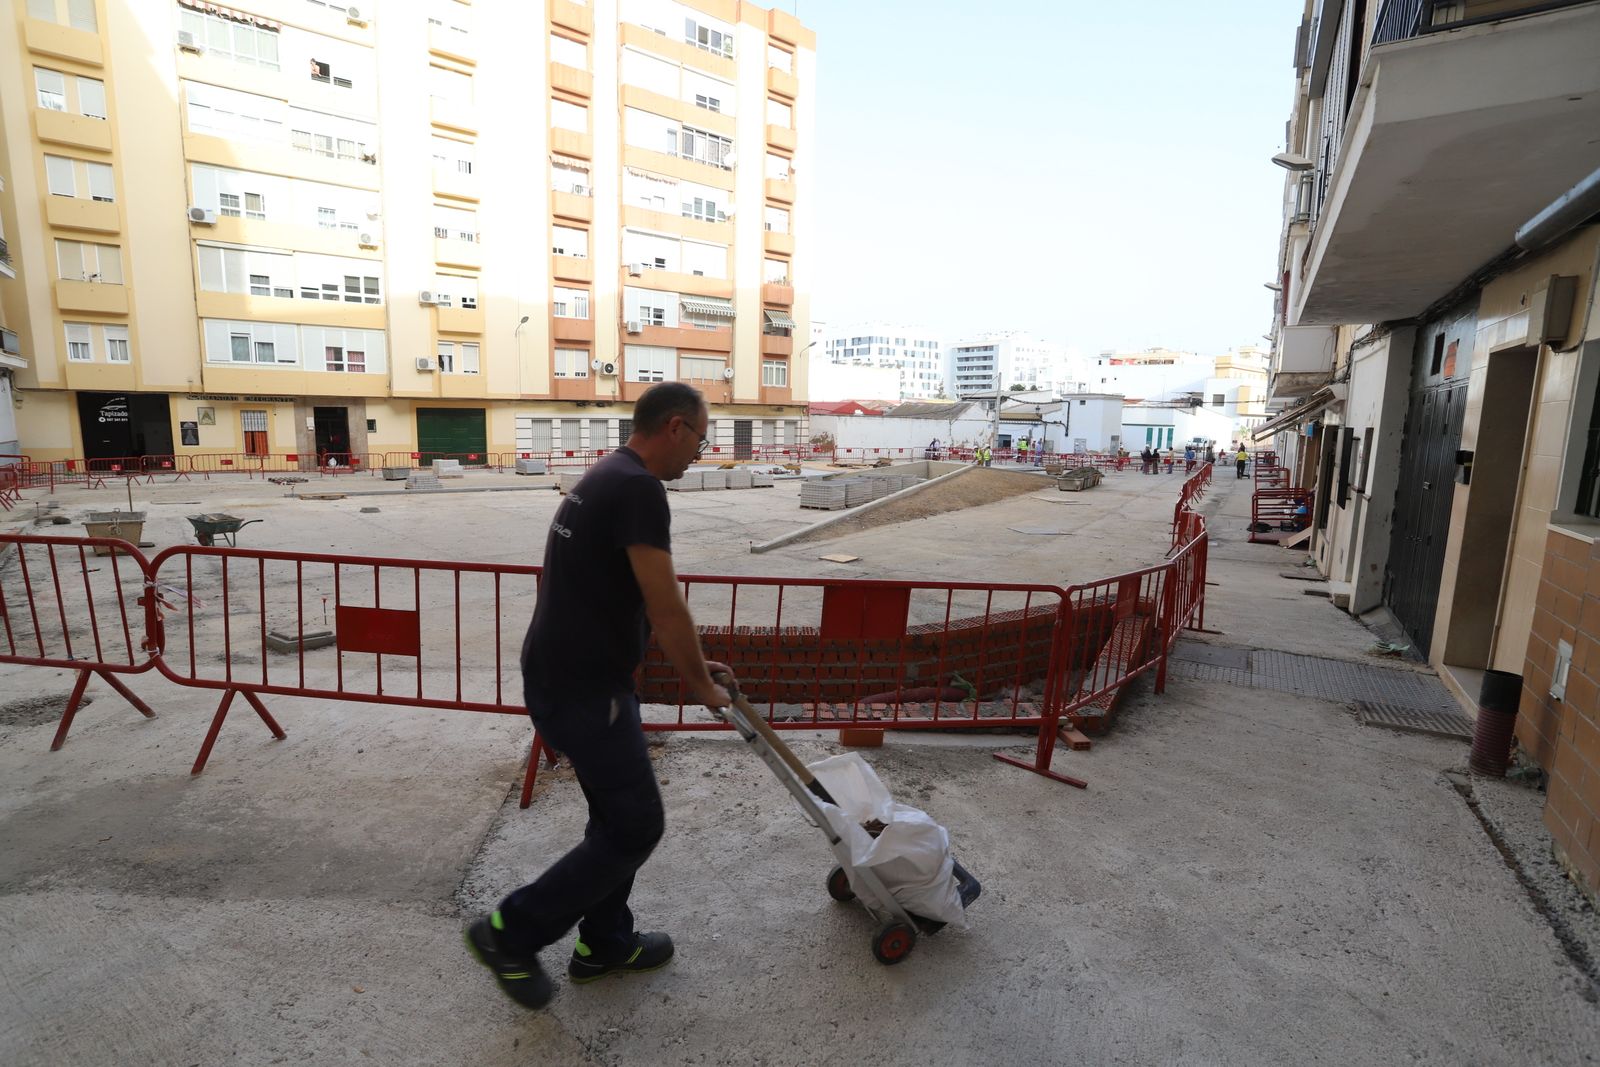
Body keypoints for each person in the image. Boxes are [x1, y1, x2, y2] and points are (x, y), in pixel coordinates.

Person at [466, 382, 734, 1010]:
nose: (699, 454)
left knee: (615, 819)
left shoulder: (606, 473)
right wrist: (700, 686)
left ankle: (605, 943)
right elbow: (665, 603)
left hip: (570, 677)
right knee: (637, 825)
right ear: (675, 427)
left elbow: (618, 592)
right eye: (700, 440)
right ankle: (509, 933)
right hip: (585, 690)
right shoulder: (639, 489)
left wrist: (696, 664)